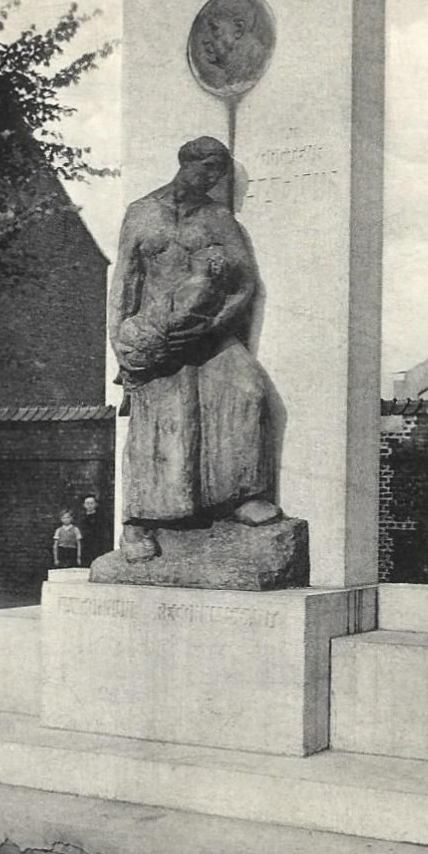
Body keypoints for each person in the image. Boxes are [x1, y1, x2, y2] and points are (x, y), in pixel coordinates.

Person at [109, 135, 280, 564]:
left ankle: (241, 496)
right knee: (163, 419)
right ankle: (138, 523)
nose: (211, 178)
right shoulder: (142, 213)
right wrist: (124, 349)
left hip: (208, 333)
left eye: (218, 171)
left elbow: (245, 286)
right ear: (184, 162)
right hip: (155, 335)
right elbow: (124, 284)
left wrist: (213, 326)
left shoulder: (219, 219)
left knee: (247, 389)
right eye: (206, 168)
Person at [79, 494, 105, 567]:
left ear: (96, 504)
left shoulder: (100, 517)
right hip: (85, 544)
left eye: (91, 503)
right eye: (87, 504)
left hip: (97, 544)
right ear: (84, 505)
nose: (89, 506)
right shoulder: (81, 518)